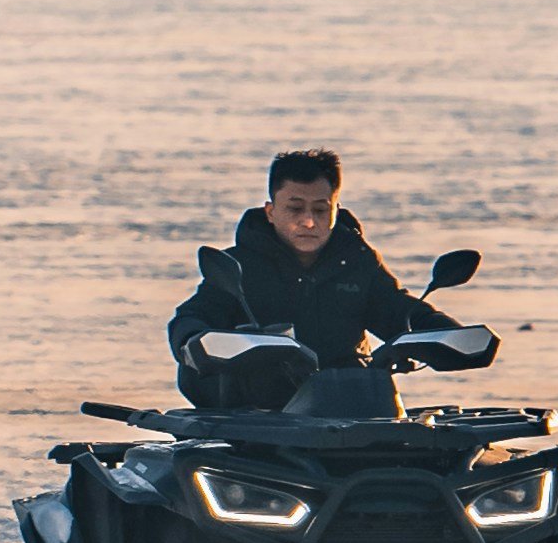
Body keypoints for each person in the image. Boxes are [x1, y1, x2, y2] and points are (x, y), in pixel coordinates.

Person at [165, 148, 458, 405]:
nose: (308, 221)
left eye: (320, 210)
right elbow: (193, 315)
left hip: (352, 408)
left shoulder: (358, 261)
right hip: (262, 418)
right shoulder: (238, 265)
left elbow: (398, 311)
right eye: (295, 208)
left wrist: (448, 334)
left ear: (335, 210)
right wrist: (192, 341)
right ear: (270, 211)